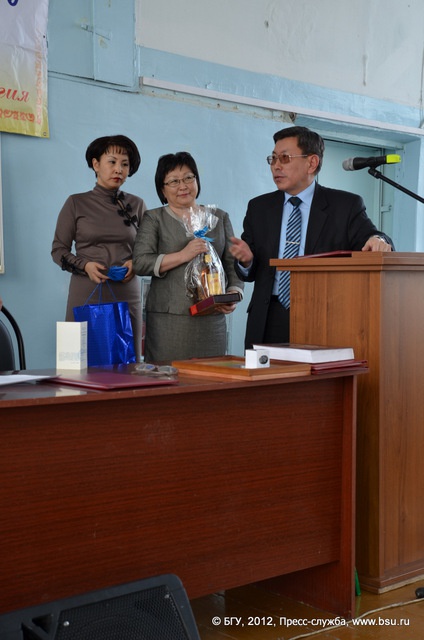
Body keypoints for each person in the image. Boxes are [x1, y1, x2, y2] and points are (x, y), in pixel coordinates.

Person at [230, 125, 394, 348]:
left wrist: (379, 241)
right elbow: (249, 271)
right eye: (273, 158)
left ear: (312, 163)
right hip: (269, 317)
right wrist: (247, 261)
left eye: (285, 158)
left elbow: (373, 236)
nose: (276, 166)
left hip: (323, 317)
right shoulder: (259, 208)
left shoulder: (344, 206)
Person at [132, 151, 244, 362]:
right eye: (174, 181)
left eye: (188, 178)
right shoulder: (154, 218)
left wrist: (233, 293)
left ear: (197, 181)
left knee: (212, 376)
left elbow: (232, 264)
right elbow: (140, 262)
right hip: (169, 320)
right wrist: (183, 255)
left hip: (212, 318)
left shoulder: (219, 217)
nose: (183, 186)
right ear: (162, 189)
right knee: (167, 378)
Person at [52, 135, 146, 361]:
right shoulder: (76, 203)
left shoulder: (137, 204)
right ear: (96, 164)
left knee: (127, 364)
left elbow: (148, 249)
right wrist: (85, 266)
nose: (119, 169)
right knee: (77, 363)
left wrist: (136, 263)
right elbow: (58, 250)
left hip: (127, 292)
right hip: (86, 290)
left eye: (125, 164)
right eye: (112, 162)